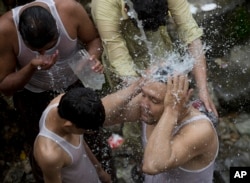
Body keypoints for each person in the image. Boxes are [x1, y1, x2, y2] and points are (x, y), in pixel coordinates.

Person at [0, 0, 115, 179]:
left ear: (56, 25)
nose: (45, 54)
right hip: (35, 96)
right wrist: (31, 67)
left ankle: (108, 176)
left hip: (75, 88)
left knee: (93, 136)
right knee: (43, 151)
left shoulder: (69, 10)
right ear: (22, 36)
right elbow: (5, 85)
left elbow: (94, 39)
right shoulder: (5, 30)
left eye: (51, 45)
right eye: (37, 50)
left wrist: (92, 58)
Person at [91, 0, 218, 116]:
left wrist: (203, 90)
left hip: (158, 46)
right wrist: (143, 95)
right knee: (139, 114)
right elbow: (119, 60)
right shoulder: (104, 4)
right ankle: (136, 137)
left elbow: (192, 36)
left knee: (171, 102)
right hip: (123, 54)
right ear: (126, 9)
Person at [101, 69, 218, 182]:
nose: (144, 104)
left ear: (183, 100)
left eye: (155, 100)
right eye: (143, 94)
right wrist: (135, 86)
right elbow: (99, 115)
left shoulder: (200, 130)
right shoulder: (148, 103)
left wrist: (172, 110)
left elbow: (151, 166)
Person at [32, 87, 111, 183]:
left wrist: (100, 171)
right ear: (68, 125)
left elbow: (82, 143)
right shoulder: (50, 155)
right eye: (85, 130)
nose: (88, 132)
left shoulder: (64, 102)